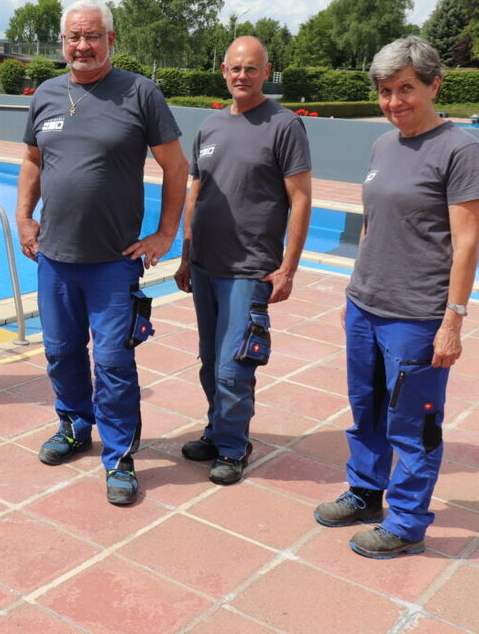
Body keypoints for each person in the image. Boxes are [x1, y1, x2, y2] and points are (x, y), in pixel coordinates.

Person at [16, 0, 188, 505]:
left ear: (110, 39)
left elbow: (176, 167)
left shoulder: (140, 92)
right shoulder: (47, 94)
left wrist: (165, 234)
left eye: (92, 36)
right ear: (62, 42)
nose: (82, 46)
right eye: (74, 37)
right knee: (60, 352)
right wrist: (25, 216)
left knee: (113, 363)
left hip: (113, 263)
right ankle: (73, 426)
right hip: (54, 259)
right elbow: (32, 161)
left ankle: (119, 457)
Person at [314, 37, 479, 559]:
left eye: (405, 88)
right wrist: (354, 290)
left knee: (413, 424)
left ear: (434, 85)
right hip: (367, 306)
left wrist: (452, 321)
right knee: (366, 412)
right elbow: (371, 224)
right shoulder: (384, 145)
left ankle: (407, 522)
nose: (393, 101)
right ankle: (366, 493)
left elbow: (467, 242)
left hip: (416, 316)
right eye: (385, 91)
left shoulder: (460, 150)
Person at [174, 36, 312, 485]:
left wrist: (288, 267)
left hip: (250, 268)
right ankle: (217, 431)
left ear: (266, 72)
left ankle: (234, 447)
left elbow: (301, 198)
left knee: (234, 366)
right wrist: (186, 255)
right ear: (223, 71)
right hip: (205, 265)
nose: (242, 75)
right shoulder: (210, 126)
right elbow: (196, 194)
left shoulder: (284, 125)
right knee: (209, 360)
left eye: (251, 68)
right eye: (235, 68)